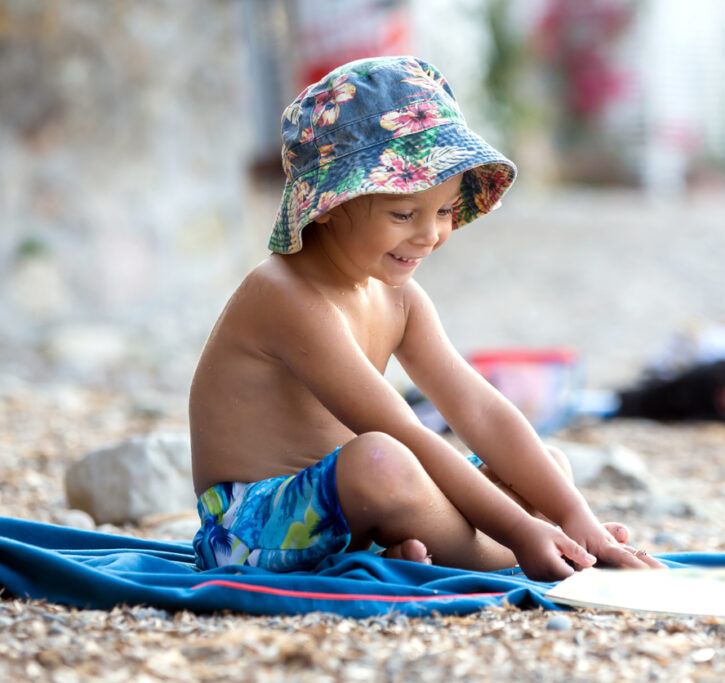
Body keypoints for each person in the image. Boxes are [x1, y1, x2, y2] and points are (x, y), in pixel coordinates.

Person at [189, 56, 662, 581]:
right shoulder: (283, 294)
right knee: (381, 461)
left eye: (442, 212)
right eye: (403, 214)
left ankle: (416, 546)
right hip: (248, 530)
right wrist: (521, 531)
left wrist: (577, 514)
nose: (430, 234)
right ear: (328, 204)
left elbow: (479, 411)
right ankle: (507, 553)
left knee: (547, 466)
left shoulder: (401, 300)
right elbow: (400, 431)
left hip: (354, 512)